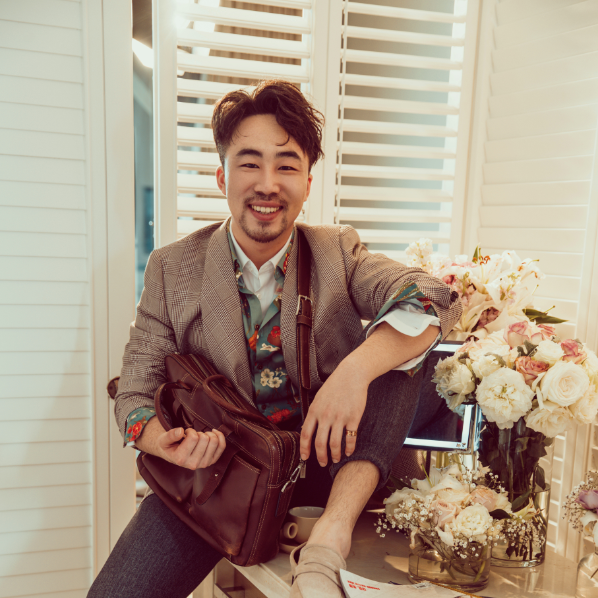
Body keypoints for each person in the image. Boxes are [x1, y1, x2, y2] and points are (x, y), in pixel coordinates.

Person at [88, 79, 461, 598]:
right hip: (222, 476)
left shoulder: (337, 250)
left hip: (339, 465)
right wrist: (164, 442)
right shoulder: (173, 268)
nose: (268, 184)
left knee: (401, 350)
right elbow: (132, 393)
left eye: (286, 166)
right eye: (250, 163)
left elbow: (430, 296)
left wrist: (353, 372)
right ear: (223, 176)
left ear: (307, 182)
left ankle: (330, 539)